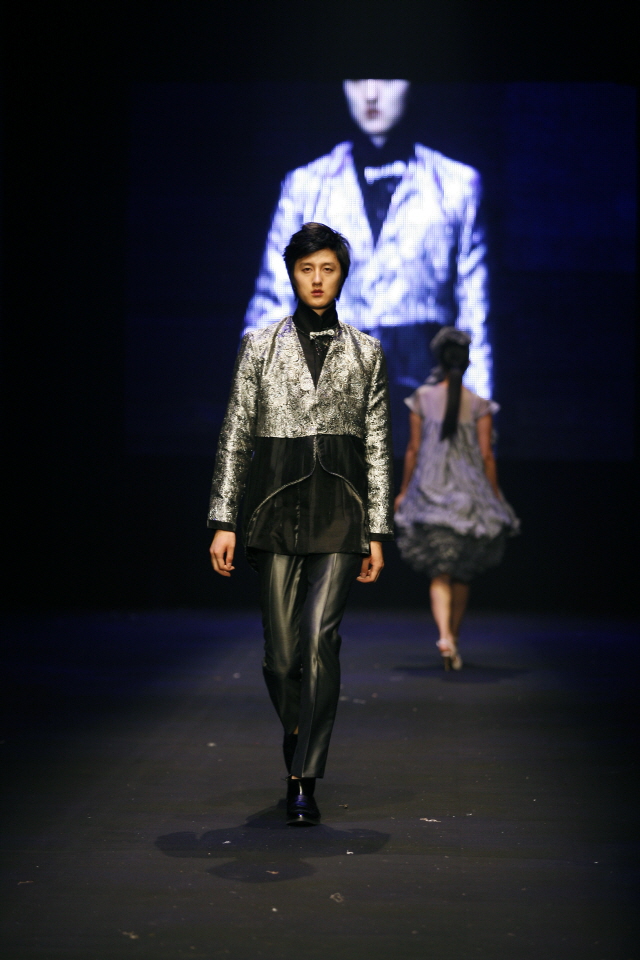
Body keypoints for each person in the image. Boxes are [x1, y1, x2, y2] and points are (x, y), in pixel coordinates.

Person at [208, 223, 394, 825]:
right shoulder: (259, 346)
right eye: (306, 268)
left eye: (328, 269)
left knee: (318, 642)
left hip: (341, 510)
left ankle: (303, 778)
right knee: (280, 657)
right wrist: (224, 519)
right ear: (291, 273)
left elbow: (378, 447)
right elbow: (236, 435)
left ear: (343, 275)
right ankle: (299, 729)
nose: (317, 279)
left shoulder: (366, 352)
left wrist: (378, 531)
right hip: (274, 510)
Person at [244, 79, 491, 455]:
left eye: (387, 78)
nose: (371, 94)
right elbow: (271, 304)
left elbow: (475, 313)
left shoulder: (457, 186)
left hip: (427, 393)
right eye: (358, 80)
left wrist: (479, 421)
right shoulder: (306, 185)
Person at [394, 327, 519, 670]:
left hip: (431, 491)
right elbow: (487, 456)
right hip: (467, 494)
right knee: (462, 573)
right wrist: (495, 496)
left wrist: (404, 490)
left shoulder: (422, 398)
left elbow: (413, 449)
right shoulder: (478, 404)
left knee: (441, 571)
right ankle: (454, 639)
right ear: (466, 361)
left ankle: (445, 636)